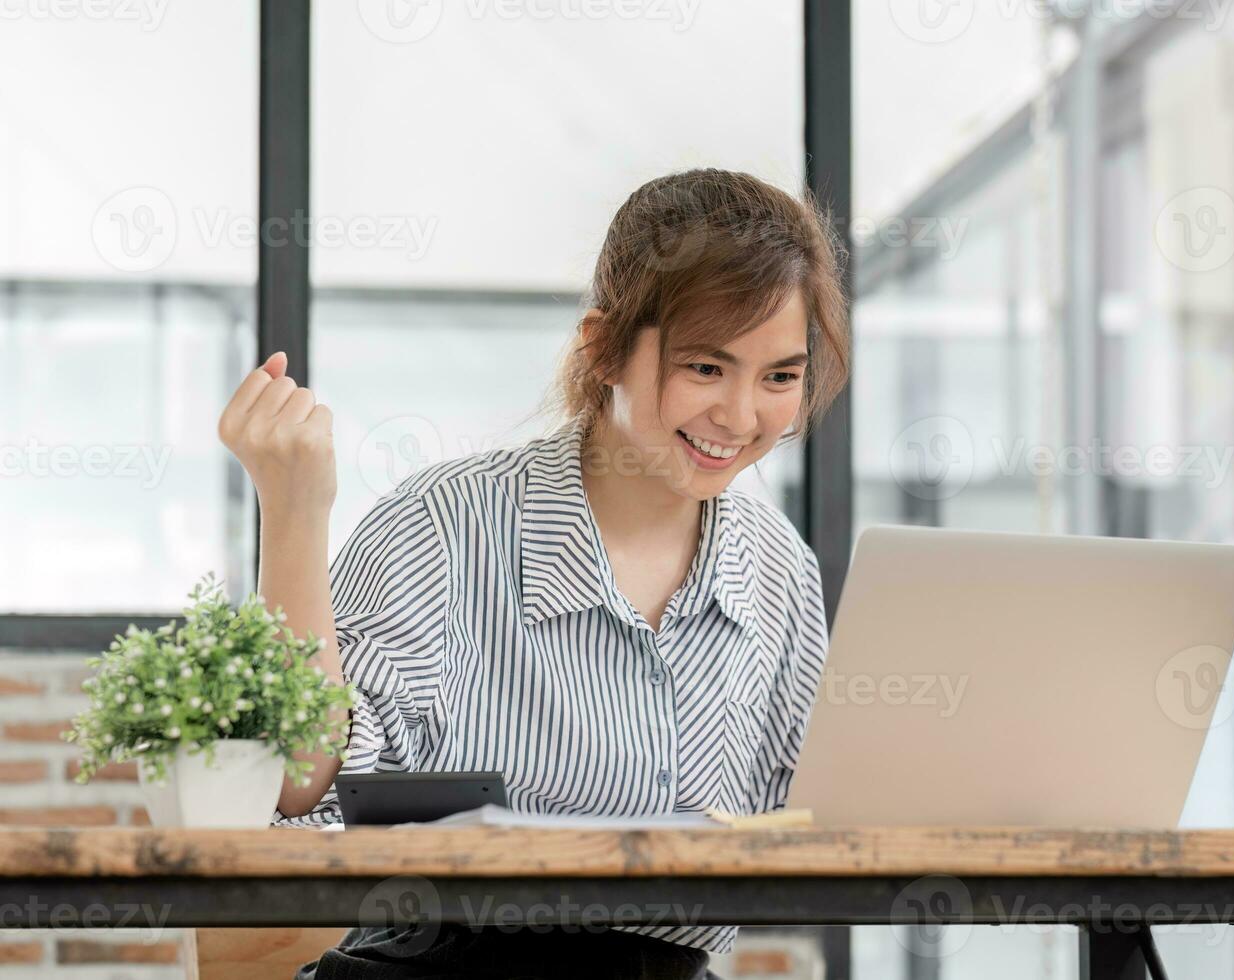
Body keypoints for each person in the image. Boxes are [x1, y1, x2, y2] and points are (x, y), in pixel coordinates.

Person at [217, 168, 851, 979]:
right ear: (604, 348)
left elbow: (808, 828)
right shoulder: (444, 525)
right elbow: (303, 788)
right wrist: (295, 514)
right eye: (704, 368)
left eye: (780, 377)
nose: (740, 416)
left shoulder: (779, 571)